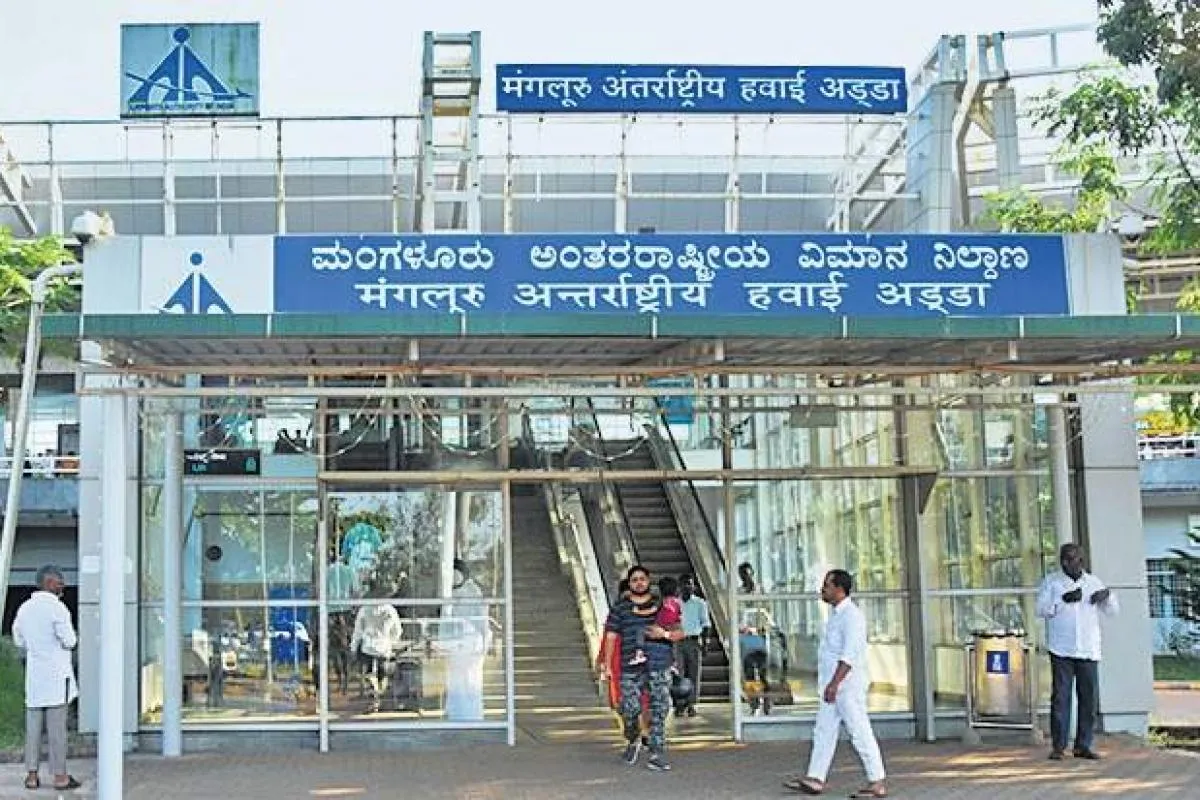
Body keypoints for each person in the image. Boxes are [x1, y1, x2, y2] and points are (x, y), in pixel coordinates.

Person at [785, 570, 886, 798]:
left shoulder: (852, 617)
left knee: (859, 731)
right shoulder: (836, 615)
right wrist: (829, 685)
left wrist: (835, 684)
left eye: (827, 585)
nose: (823, 589)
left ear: (839, 589)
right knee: (824, 731)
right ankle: (815, 777)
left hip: (846, 687)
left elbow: (849, 655)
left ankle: (877, 780)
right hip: (832, 687)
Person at [1036, 543, 1119, 761]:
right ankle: (1059, 746)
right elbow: (1041, 609)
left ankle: (1083, 745)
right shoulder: (1052, 582)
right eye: (1065, 559)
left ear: (1081, 561)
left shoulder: (1093, 582)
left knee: (1088, 698)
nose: (1068, 563)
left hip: (1088, 649)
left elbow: (1112, 611)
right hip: (1061, 648)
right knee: (1061, 698)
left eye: (1073, 559)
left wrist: (1107, 596)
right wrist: (1062, 600)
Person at [598, 565, 684, 772]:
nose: (639, 583)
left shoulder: (662, 606)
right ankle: (633, 737)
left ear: (648, 581)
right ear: (629, 584)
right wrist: (607, 665)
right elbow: (611, 636)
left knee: (659, 708)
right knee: (629, 708)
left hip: (658, 664)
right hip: (630, 666)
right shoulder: (620, 609)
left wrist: (664, 634)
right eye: (634, 580)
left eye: (642, 579)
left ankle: (656, 753)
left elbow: (680, 632)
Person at [12, 565, 82, 791]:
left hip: (34, 677)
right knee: (57, 730)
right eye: (60, 583)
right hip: (57, 678)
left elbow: (18, 639)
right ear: (49, 583)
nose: (63, 587)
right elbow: (70, 641)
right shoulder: (58, 609)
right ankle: (60, 776)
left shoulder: (25, 608)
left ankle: (32, 776)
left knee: (33, 729)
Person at [442, 558, 489, 721]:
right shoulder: (449, 592)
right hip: (457, 643)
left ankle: (471, 715)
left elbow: (482, 620)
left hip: (470, 642)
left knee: (470, 681)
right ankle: (457, 714)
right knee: (457, 681)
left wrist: (484, 643)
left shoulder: (473, 591)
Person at [678, 574, 710, 717]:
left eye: (690, 584)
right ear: (679, 586)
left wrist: (706, 642)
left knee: (693, 674)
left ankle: (691, 704)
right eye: (685, 584)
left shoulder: (700, 603)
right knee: (679, 674)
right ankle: (680, 704)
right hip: (678, 642)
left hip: (694, 641)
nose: (688, 586)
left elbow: (706, 624)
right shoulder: (675, 603)